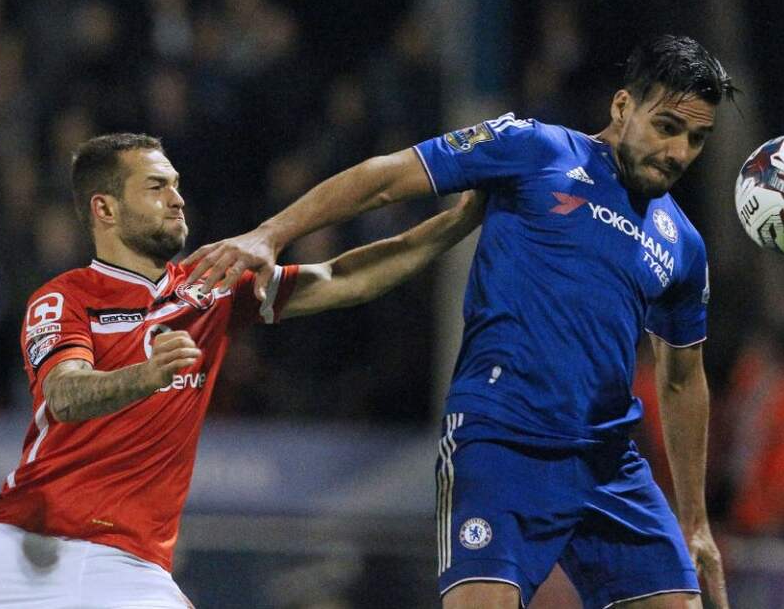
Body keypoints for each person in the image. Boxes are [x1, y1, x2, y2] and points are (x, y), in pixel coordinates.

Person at [186, 35, 734, 608]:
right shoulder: (534, 147)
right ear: (622, 106)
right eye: (668, 126)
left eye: (697, 138)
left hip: (607, 458)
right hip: (502, 441)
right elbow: (385, 179)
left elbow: (680, 379)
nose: (679, 151)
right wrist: (269, 234)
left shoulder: (684, 245)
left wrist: (695, 522)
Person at [0, 133, 485, 607]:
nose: (177, 199)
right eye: (156, 187)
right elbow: (65, 393)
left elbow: (346, 278)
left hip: (129, 565)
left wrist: (455, 225)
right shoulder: (64, 296)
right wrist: (146, 377)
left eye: (176, 185)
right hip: (21, 543)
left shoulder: (211, 285)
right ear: (104, 208)